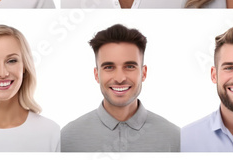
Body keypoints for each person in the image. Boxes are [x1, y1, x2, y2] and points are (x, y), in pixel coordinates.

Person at [61, 24, 179, 152]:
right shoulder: (67, 138)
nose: (119, 78)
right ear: (97, 75)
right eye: (109, 67)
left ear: (143, 73)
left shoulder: (175, 138)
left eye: (129, 66)